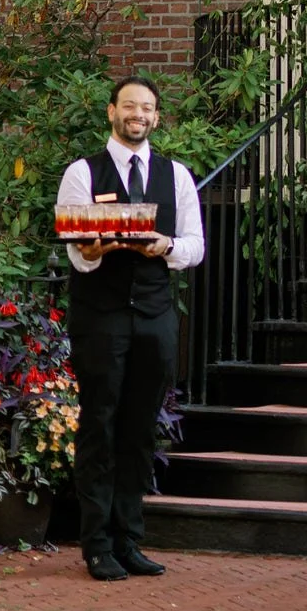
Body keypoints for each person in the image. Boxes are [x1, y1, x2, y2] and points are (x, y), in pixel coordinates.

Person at [56, 76, 205, 582]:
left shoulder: (176, 175)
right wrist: (95, 249)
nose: (138, 114)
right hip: (101, 315)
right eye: (129, 106)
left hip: (155, 315)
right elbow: (77, 250)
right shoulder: (82, 172)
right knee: (99, 422)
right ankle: (97, 545)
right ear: (111, 112)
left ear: (156, 117)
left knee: (141, 428)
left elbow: (195, 245)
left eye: (147, 108)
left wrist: (166, 246)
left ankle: (129, 539)